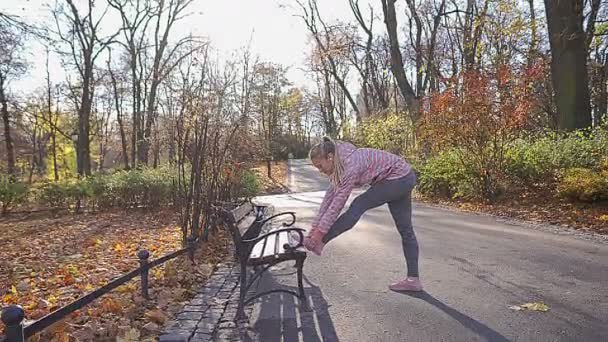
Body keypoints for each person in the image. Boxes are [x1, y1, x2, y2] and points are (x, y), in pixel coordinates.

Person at [303, 137, 422, 292]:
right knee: (406, 230)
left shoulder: (350, 166)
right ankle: (414, 279)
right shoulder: (340, 165)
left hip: (396, 178)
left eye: (320, 166)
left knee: (358, 205)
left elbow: (336, 205)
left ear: (330, 157)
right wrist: (314, 229)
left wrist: (319, 237)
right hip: (405, 177)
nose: (320, 171)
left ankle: (320, 243)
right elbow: (328, 200)